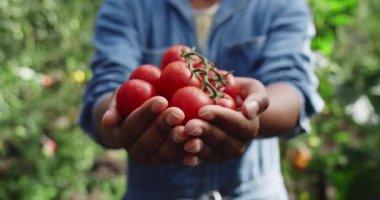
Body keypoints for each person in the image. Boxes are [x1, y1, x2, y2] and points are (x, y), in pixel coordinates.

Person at [79, 0, 324, 199]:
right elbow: (106, 89)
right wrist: (115, 120)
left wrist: (252, 113)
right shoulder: (127, 5)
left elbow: (293, 87)